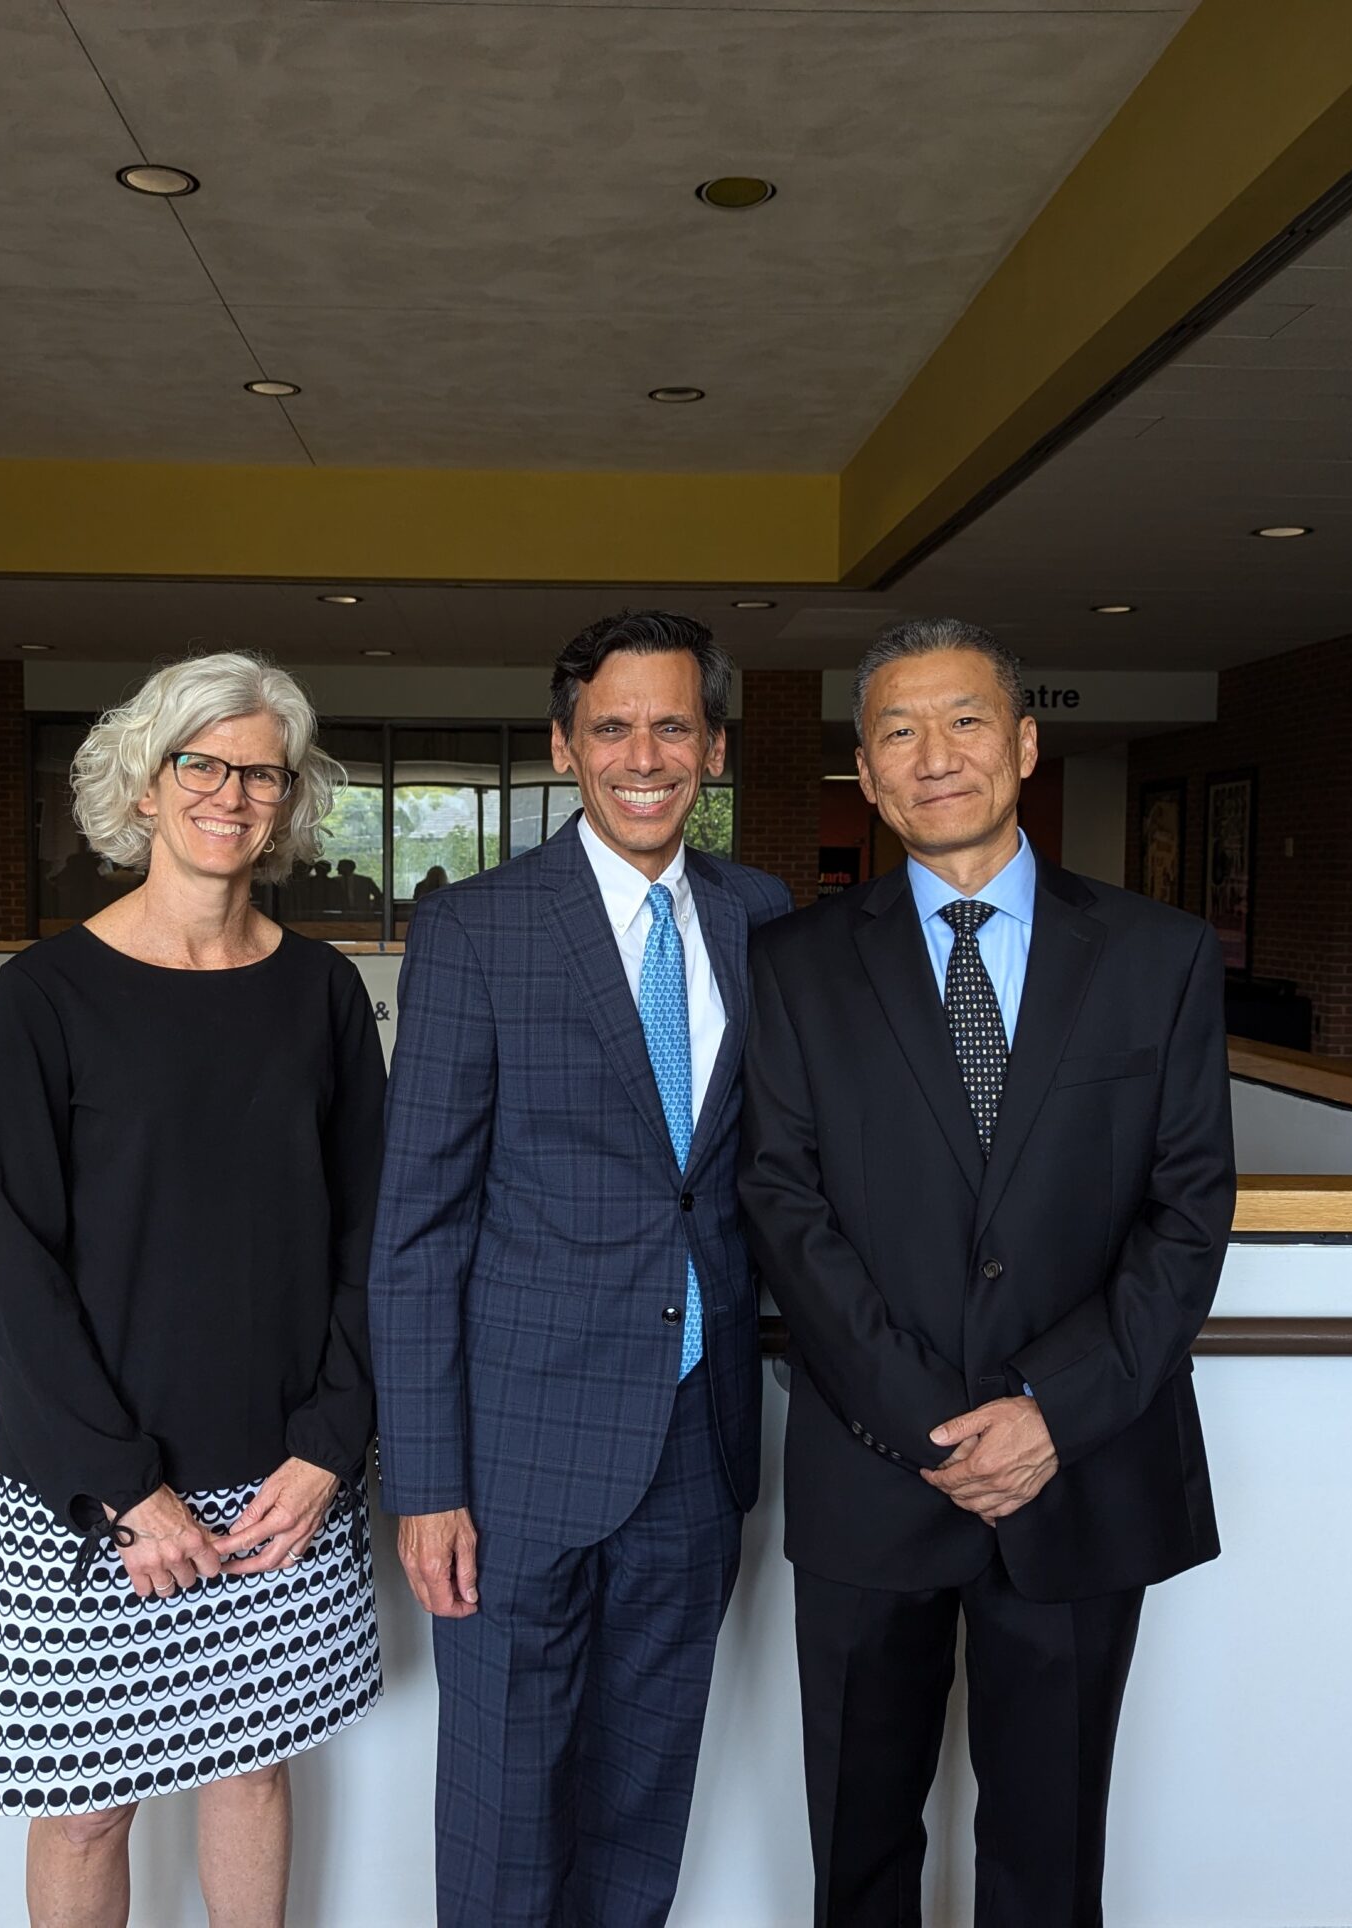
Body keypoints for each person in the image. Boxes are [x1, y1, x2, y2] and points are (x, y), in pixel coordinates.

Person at [739, 618, 1235, 1928]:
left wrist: (1050, 1414)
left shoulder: (1159, 957)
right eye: (898, 732)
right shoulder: (793, 963)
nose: (934, 755)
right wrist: (928, 1424)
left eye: (963, 721)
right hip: (871, 1470)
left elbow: (1187, 1217)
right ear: (866, 769)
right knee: (856, 1854)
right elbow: (782, 1203)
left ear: (1023, 743)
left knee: (1050, 1854)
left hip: (1081, 1474)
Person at [371, 610, 793, 1925]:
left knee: (642, 1797)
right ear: (566, 748)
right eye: (612, 727)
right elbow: (416, 1227)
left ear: (714, 748)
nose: (643, 753)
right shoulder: (479, 930)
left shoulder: (762, 917)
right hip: (513, 1459)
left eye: (673, 724)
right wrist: (428, 1481)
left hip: (697, 1438)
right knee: (507, 1806)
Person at [0, 651, 387, 1928]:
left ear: (289, 799)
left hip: (279, 1480)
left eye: (261, 770)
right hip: (94, 1486)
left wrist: (328, 1445)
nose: (232, 791)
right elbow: (15, 1258)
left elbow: (376, 1237)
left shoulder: (321, 991)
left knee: (251, 1770)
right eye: (200, 762)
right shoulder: (45, 991)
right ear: (143, 787)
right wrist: (122, 1479)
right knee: (85, 1803)